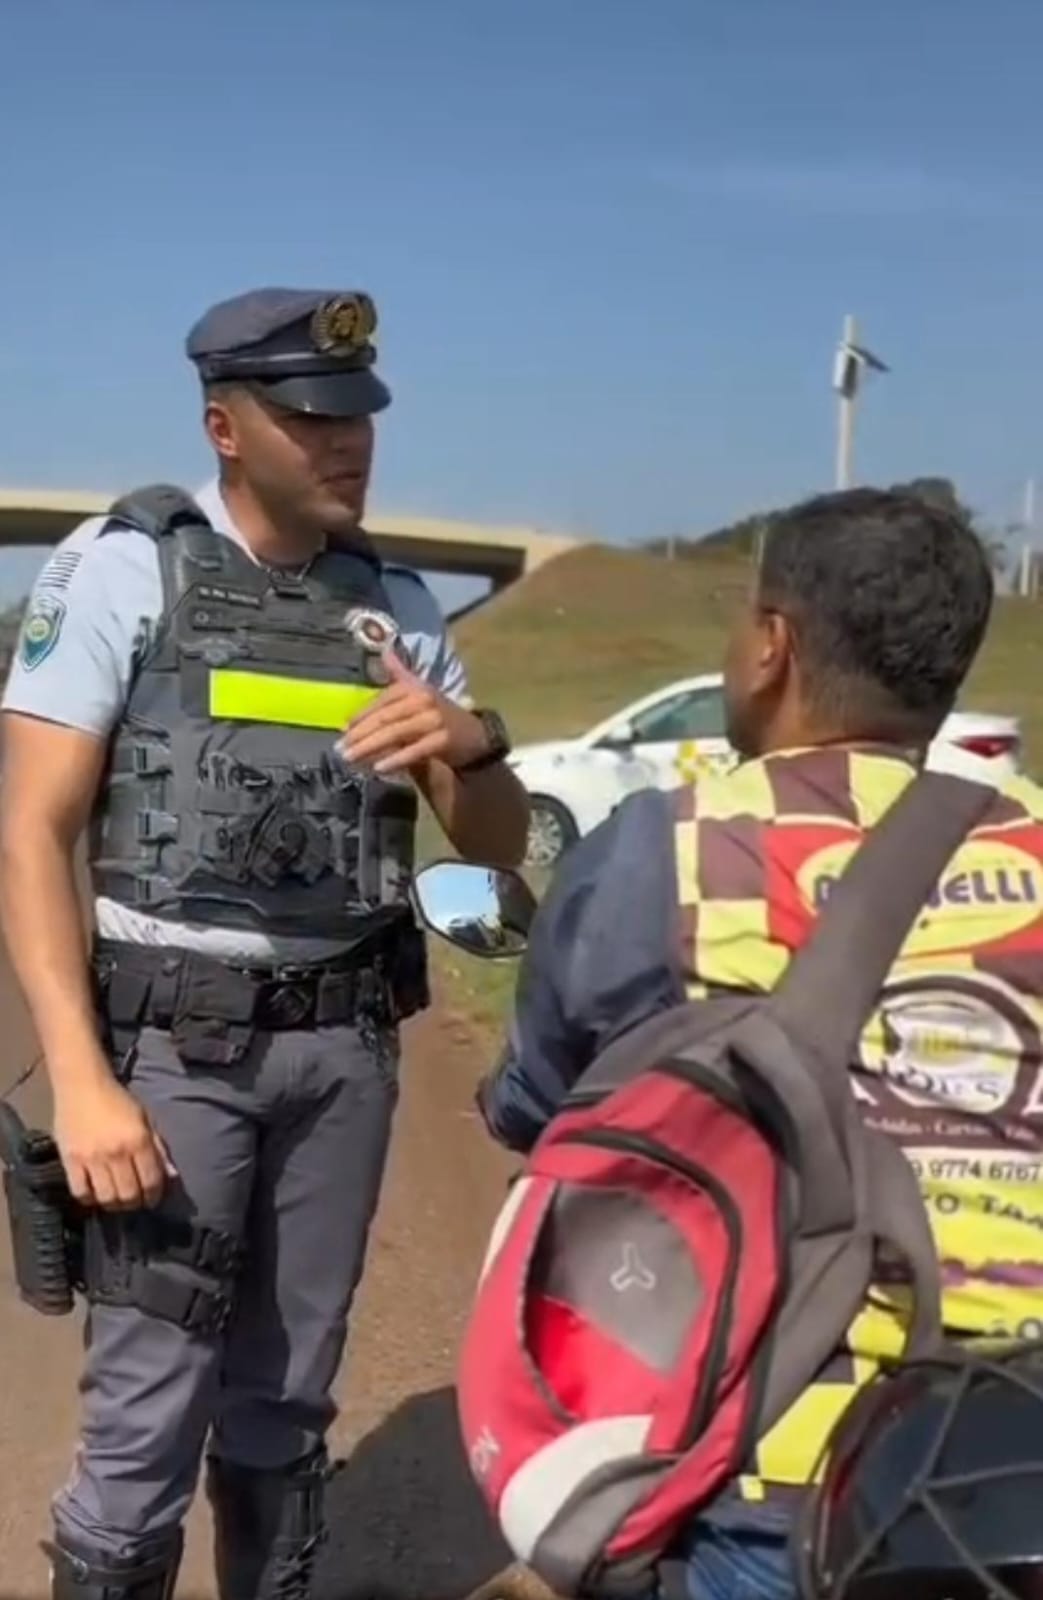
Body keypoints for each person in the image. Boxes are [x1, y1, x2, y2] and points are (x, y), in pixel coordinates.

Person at [0, 284, 530, 1600]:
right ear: (226, 427)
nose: (345, 442)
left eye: (358, 417)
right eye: (309, 417)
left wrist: (465, 746)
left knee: (286, 1409)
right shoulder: (126, 569)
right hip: (173, 1055)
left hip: (343, 1056)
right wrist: (78, 1082)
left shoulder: (395, 608)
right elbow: (30, 836)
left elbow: (497, 846)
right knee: (141, 1433)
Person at [475, 486, 1043, 1600]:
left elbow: (538, 1106)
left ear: (770, 647)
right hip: (1012, 1456)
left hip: (776, 1469)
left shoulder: (665, 850)